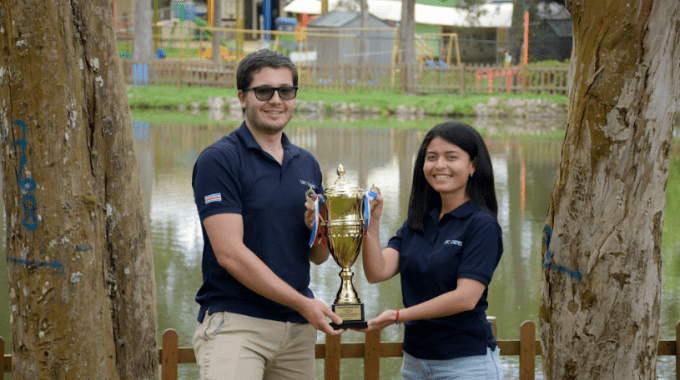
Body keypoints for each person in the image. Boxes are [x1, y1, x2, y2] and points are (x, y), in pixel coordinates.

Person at [191, 49, 343, 380]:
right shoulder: (219, 160)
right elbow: (229, 253)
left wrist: (322, 228)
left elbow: (317, 256)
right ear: (242, 97)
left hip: (297, 332)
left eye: (285, 91)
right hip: (236, 325)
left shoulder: (307, 163)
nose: (276, 100)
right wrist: (303, 303)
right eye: (264, 91)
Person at [360, 121, 504, 379]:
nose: (439, 165)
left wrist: (397, 316)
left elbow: (466, 297)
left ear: (473, 165)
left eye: (451, 157)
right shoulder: (419, 222)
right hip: (415, 364)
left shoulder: (482, 225)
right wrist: (372, 222)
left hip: (465, 365)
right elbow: (377, 272)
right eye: (431, 157)